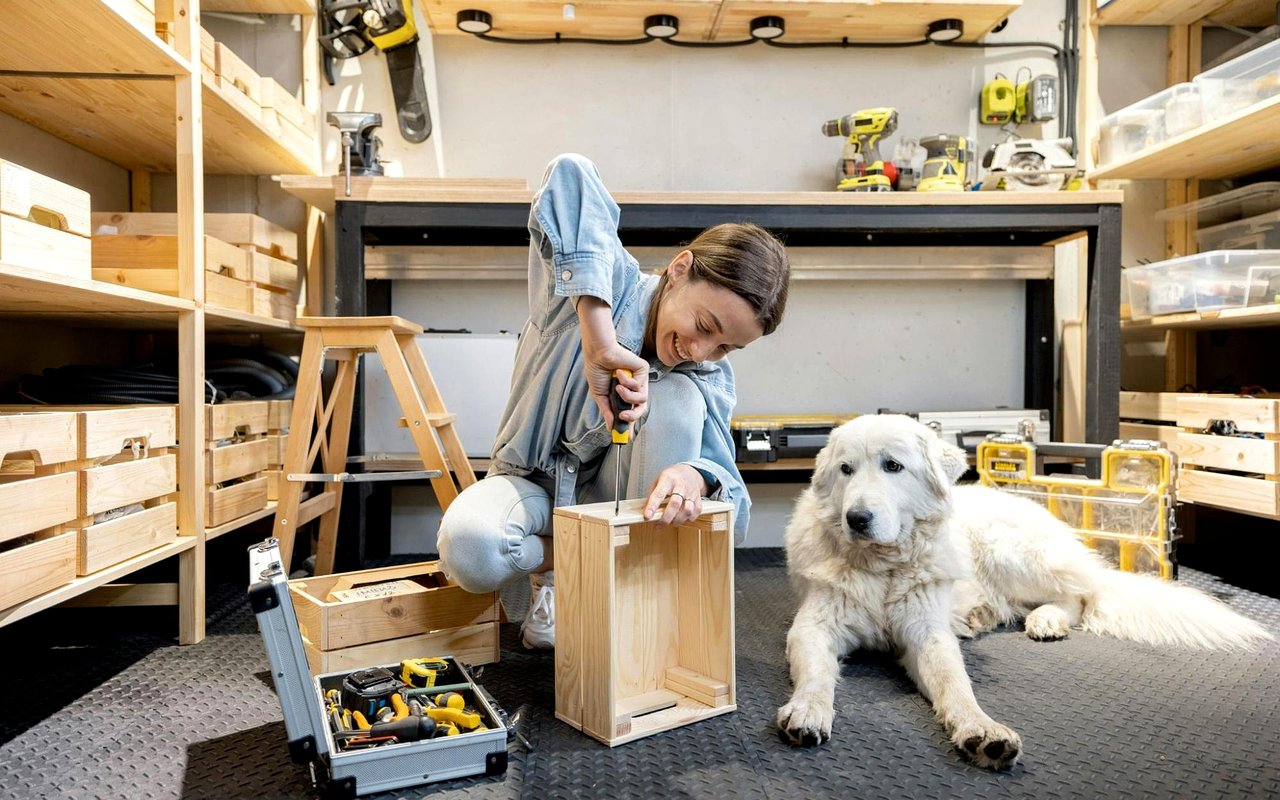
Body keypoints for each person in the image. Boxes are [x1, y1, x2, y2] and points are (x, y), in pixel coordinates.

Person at [437, 153, 790, 649]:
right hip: (530, 487)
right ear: (680, 269)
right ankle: (563, 573)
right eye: (705, 327)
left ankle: (619, 589)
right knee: (471, 549)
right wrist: (599, 340)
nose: (701, 351)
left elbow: (736, 520)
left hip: (620, 515)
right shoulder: (592, 287)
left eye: (727, 346)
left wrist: (697, 475)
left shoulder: (706, 373)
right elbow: (569, 172)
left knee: (681, 396)